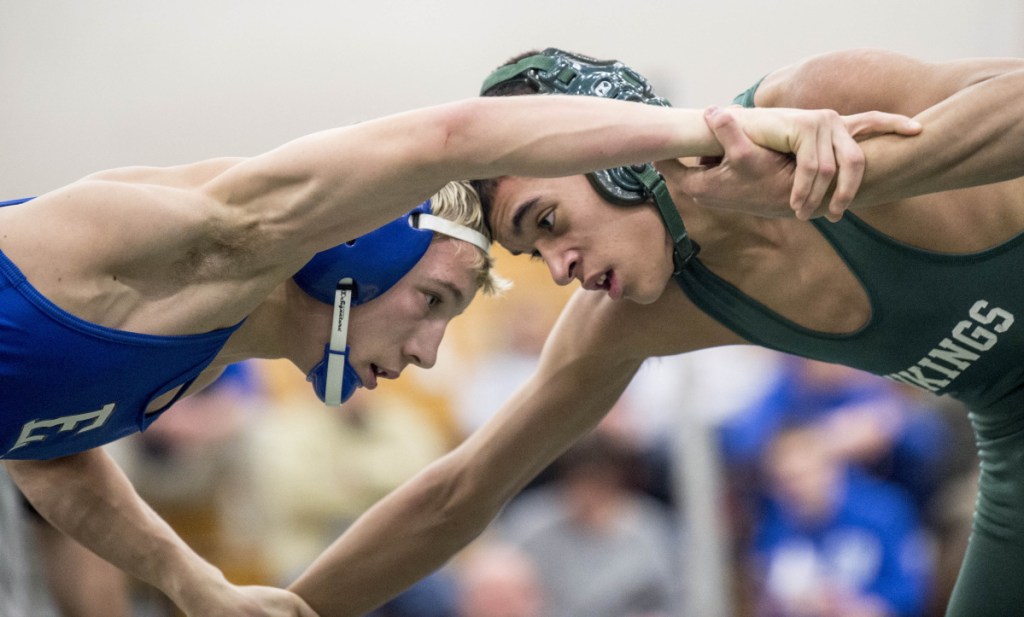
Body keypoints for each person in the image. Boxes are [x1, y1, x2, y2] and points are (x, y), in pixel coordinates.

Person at [0, 88, 899, 617]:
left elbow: (46, 443)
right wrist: (715, 130)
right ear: (352, 258)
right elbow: (452, 138)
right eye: (432, 303)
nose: (431, 353)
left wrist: (195, 587)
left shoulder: (191, 357)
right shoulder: (205, 236)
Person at [289, 48, 1024, 617]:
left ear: (615, 158)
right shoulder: (636, 315)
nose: (557, 267)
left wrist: (870, 173)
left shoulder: (813, 102)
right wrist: (270, 606)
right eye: (533, 250)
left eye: (546, 222)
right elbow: (461, 491)